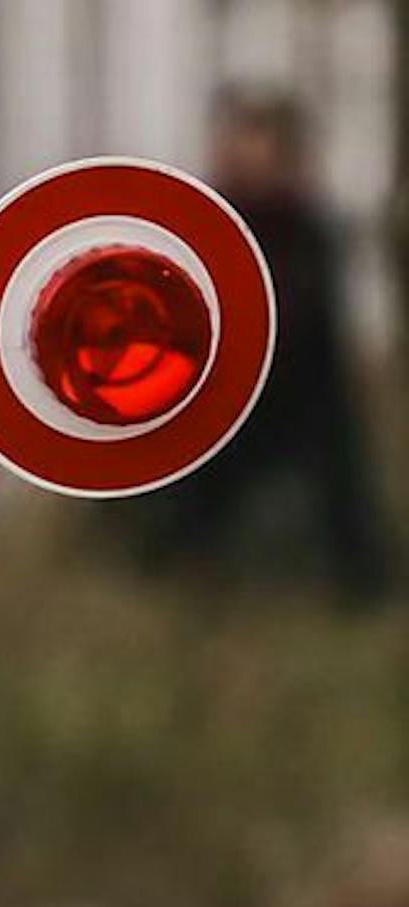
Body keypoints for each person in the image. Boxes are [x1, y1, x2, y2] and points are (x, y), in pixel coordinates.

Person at [147, 88, 394, 607]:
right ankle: (181, 583)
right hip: (220, 392)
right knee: (183, 501)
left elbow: (317, 327)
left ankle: (362, 591)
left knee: (345, 499)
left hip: (301, 397)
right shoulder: (210, 223)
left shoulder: (309, 230)